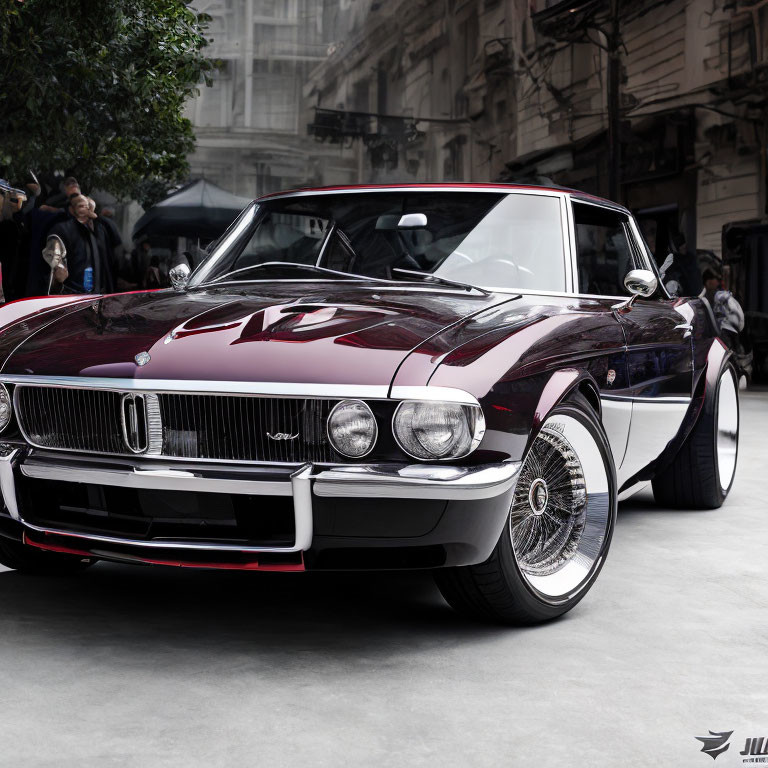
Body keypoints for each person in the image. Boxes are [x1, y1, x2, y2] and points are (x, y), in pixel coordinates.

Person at [43, 194, 116, 294]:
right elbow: (52, 251)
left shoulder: (100, 230)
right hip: (72, 295)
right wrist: (58, 267)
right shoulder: (63, 229)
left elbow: (107, 262)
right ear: (72, 210)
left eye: (89, 206)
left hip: (98, 295)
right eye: (82, 206)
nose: (87, 209)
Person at [700, 268, 744, 349]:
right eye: (715, 279)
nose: (718, 282)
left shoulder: (716, 294)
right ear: (708, 282)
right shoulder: (704, 299)